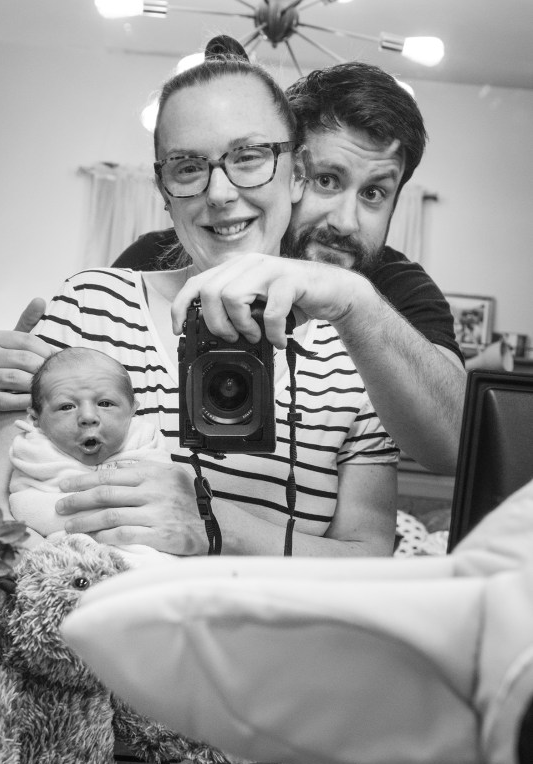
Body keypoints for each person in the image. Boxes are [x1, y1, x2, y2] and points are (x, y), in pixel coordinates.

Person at [0, 42, 398, 764]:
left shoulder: (353, 355)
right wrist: (4, 421)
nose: (219, 191)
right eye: (187, 167)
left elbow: (371, 567)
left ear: (295, 173)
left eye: (249, 156)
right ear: (162, 187)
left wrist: (212, 524)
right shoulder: (90, 306)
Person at [114, 61, 466, 477]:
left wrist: (354, 302)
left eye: (374, 193)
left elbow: (459, 444)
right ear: (291, 173)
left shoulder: (398, 285)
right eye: (327, 181)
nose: (345, 222)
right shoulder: (162, 255)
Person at [8, 346, 173, 566]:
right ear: (36, 418)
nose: (87, 416)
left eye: (105, 404)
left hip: (149, 557)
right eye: (66, 407)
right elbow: (24, 506)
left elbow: (167, 498)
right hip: (71, 560)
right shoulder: (34, 450)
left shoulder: (143, 438)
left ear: (132, 410)